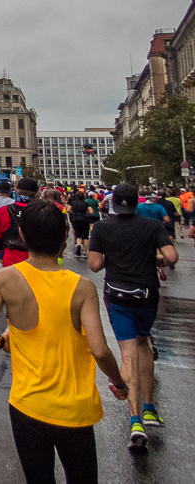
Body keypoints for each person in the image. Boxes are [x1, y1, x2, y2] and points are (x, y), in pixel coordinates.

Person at [0, 200, 128, 484]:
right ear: (65, 236)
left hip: (26, 404)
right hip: (74, 407)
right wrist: (119, 383)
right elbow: (99, 350)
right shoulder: (82, 287)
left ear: (22, 235)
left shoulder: (4, 278)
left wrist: (1, 343)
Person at [88, 184, 179, 448]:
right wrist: (156, 260)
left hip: (117, 295)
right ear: (135, 204)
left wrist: (112, 256)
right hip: (147, 293)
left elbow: (94, 265)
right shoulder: (151, 227)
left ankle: (135, 420)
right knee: (143, 344)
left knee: (127, 352)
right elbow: (172, 257)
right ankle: (150, 407)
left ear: (114, 204)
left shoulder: (103, 228)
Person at [0, 179, 40, 272]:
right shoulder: (44, 211)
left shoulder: (1, 211)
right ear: (36, 193)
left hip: (12, 263)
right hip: (39, 263)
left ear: (16, 191)